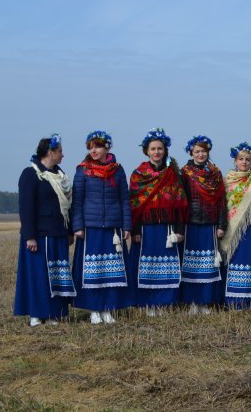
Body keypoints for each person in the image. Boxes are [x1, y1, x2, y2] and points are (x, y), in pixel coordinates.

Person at [71, 130, 133, 324]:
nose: (94, 150)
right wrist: (78, 226)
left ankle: (108, 308)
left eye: (97, 146)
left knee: (111, 272)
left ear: (107, 147)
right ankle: (94, 310)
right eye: (90, 147)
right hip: (91, 229)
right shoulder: (82, 171)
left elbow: (124, 199)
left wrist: (127, 225)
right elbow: (77, 201)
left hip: (113, 228)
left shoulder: (118, 170)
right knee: (94, 272)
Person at [14, 134, 75, 326]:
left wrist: (69, 231)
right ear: (50, 153)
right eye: (60, 151)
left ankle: (53, 313)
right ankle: (36, 314)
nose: (63, 155)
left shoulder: (61, 175)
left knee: (57, 275)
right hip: (40, 236)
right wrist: (29, 236)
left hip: (59, 233)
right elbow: (26, 208)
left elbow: (67, 207)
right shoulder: (31, 174)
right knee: (39, 276)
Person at [128, 128, 188, 316]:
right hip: (146, 229)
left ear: (165, 150)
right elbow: (134, 205)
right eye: (153, 149)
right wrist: (135, 230)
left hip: (167, 229)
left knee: (167, 269)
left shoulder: (173, 174)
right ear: (146, 151)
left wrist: (179, 230)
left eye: (159, 148)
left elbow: (180, 204)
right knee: (146, 268)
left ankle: (164, 303)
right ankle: (147, 304)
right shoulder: (138, 175)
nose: (156, 152)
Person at [220, 141, 251, 309]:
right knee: (235, 262)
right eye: (241, 159)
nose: (244, 162)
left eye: (247, 159)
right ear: (235, 160)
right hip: (233, 231)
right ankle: (235, 301)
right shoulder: (227, 181)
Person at [180, 135, 227, 314]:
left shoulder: (216, 173)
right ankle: (193, 302)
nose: (200, 154)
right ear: (191, 153)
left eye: (204, 151)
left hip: (210, 224)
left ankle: (206, 302)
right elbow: (181, 200)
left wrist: (221, 225)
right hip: (191, 224)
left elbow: (221, 201)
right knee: (192, 266)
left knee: (209, 266)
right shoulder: (185, 172)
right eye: (197, 151)